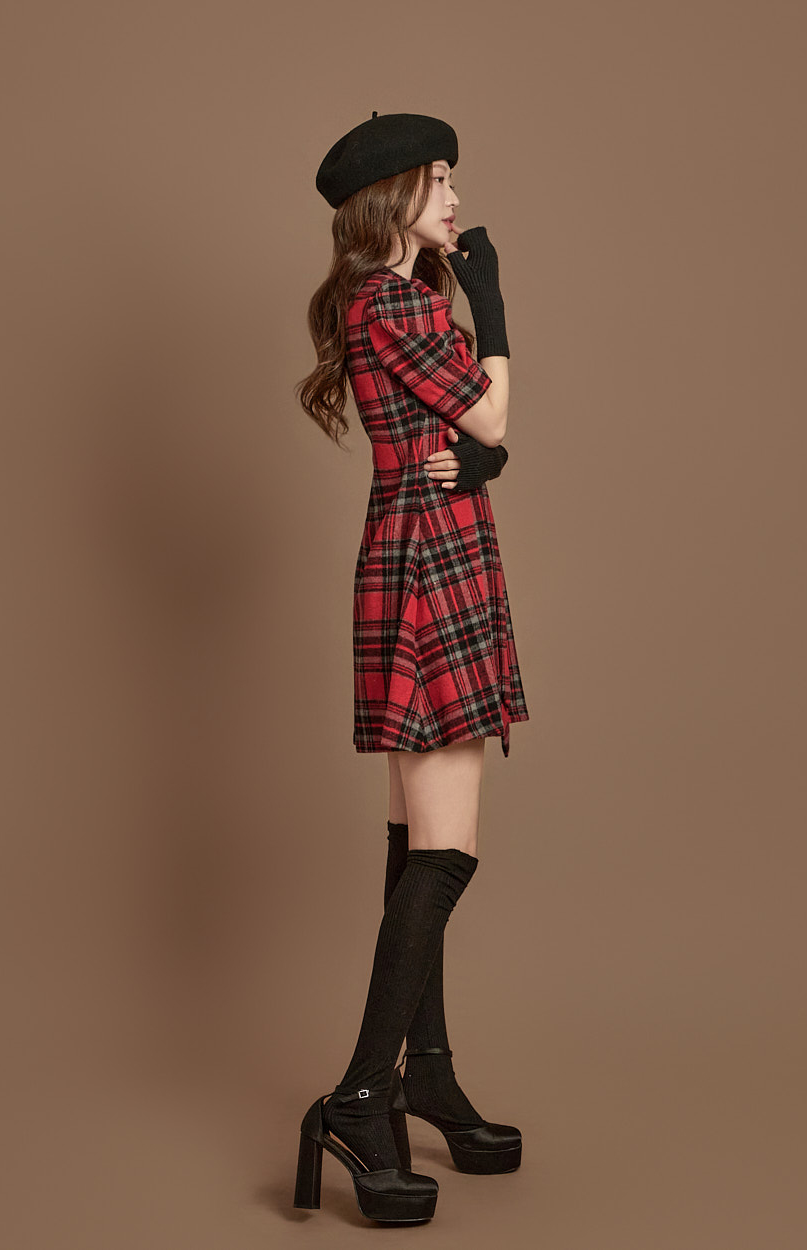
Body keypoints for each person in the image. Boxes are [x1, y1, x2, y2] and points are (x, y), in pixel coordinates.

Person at [292, 111, 529, 1224]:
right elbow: (490, 409)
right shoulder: (401, 301)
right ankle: (357, 1093)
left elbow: (465, 438)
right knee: (445, 854)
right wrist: (495, 305)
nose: (456, 200)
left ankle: (422, 1073)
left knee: (409, 844)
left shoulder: (379, 302)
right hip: (434, 565)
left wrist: (479, 458)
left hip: (413, 549)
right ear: (394, 197)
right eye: (440, 182)